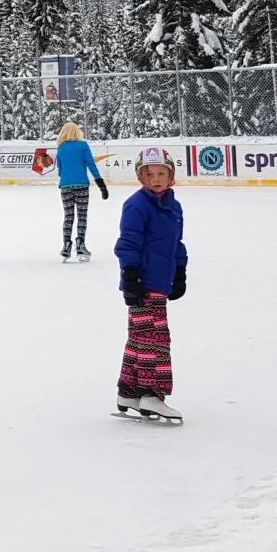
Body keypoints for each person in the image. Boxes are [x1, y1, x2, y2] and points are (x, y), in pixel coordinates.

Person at [113, 147, 187, 422]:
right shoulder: (137, 205)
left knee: (140, 337)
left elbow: (176, 243)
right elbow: (127, 242)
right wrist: (130, 275)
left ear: (171, 176)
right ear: (141, 177)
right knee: (154, 339)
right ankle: (151, 394)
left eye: (161, 174)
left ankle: (129, 392)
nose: (156, 179)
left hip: (161, 281)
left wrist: (180, 271)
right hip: (143, 283)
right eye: (150, 174)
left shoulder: (174, 207)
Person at [55, 122, 107, 262]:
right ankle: (80, 245)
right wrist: (101, 184)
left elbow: (60, 170)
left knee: (68, 216)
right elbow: (91, 164)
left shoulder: (61, 148)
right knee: (82, 216)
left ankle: (66, 245)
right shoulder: (83, 145)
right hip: (82, 185)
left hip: (65, 186)